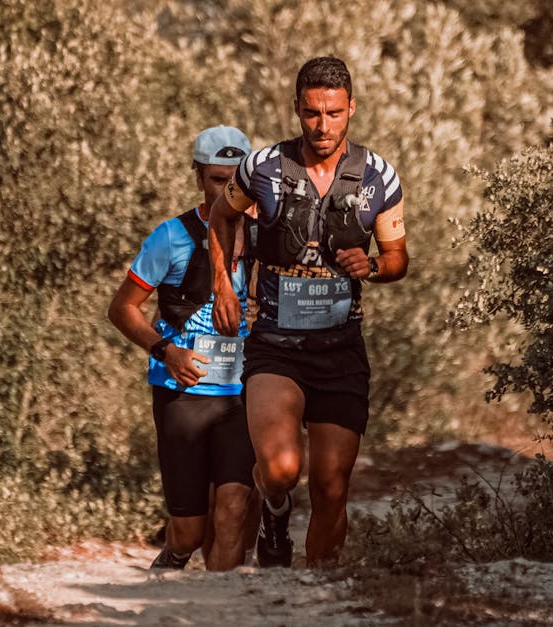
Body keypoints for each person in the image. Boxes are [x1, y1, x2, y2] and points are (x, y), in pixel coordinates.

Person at [208, 57, 409, 567]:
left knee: (332, 487)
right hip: (276, 347)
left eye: (335, 113)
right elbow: (220, 215)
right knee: (279, 470)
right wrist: (224, 288)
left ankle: (317, 593)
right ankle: (275, 511)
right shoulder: (263, 168)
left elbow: (398, 259)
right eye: (313, 113)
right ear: (297, 109)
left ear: (352, 110)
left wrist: (374, 266)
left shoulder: (379, 177)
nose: (323, 126)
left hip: (341, 352)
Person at [108, 125, 257, 571]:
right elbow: (122, 309)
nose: (225, 192)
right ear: (198, 177)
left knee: (231, 512)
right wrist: (166, 352)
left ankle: (221, 612)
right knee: (190, 532)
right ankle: (169, 562)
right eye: (216, 180)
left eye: (236, 182)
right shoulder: (170, 237)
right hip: (181, 395)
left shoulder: (267, 238)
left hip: (242, 398)